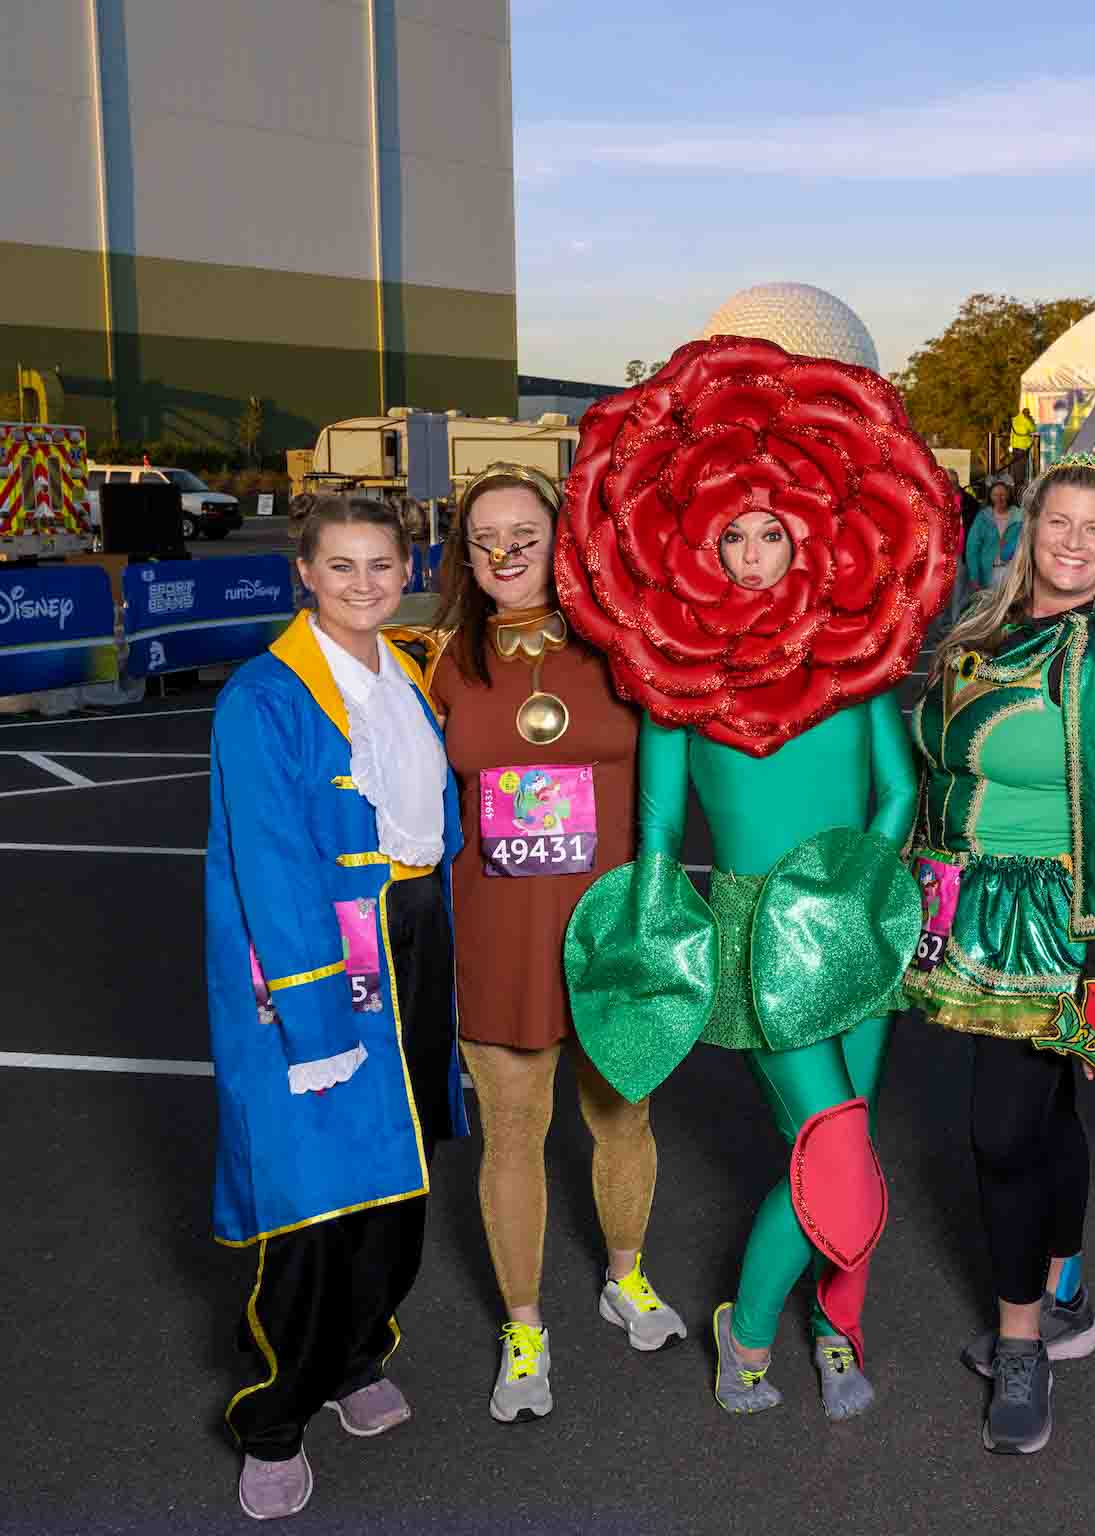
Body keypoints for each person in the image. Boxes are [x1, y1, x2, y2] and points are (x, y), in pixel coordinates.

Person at [557, 333, 956, 1422]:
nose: (750, 551)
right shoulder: (671, 670)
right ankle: (748, 1327)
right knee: (832, 1143)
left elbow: (897, 788)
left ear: (805, 536)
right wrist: (650, 930)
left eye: (769, 531)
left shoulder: (854, 656)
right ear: (699, 543)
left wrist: (856, 884)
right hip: (755, 938)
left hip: (857, 924)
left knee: (848, 1138)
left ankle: (838, 1328)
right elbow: (656, 823)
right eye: (731, 533)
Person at [206, 494, 466, 1520]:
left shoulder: (407, 674)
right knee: (313, 1198)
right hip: (320, 960)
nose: (365, 583)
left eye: (382, 565)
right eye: (342, 565)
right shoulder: (262, 697)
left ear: (409, 570)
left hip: (412, 944)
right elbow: (270, 866)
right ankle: (273, 1418)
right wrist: (313, 1016)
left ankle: (359, 1356)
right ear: (304, 573)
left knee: (399, 1179)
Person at [904, 450, 1095, 1456]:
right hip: (972, 907)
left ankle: (1022, 1344)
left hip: (1054, 921)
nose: (1073, 542)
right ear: (1028, 528)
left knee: (1000, 1135)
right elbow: (941, 770)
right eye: (1059, 521)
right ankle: (1064, 1292)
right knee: (1045, 1113)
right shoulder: (989, 624)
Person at [420, 462, 684, 1426]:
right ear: (464, 554)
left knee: (624, 1118)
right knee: (513, 1131)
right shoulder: (439, 662)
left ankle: (626, 1277)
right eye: (484, 538)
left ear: (561, 539)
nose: (504, 553)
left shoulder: (626, 649)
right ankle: (524, 1324)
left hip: (611, 926)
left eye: (524, 534)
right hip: (497, 934)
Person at [965, 477, 1022, 597]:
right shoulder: (983, 517)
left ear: (1008, 495)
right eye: (995, 495)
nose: (999, 498)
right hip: (988, 574)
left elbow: (1026, 543)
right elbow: (972, 548)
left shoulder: (1020, 516)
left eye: (1002, 494)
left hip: (1013, 573)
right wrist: (974, 576)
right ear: (990, 496)